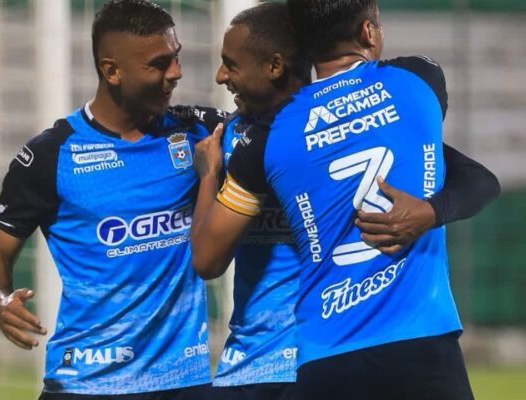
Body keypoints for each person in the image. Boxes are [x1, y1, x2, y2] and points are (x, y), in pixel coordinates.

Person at [191, 1, 501, 399]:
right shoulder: (418, 78)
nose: (221, 76)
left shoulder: (268, 139)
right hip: (420, 343)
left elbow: (207, 260)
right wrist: (430, 211)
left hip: (325, 356)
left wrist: (208, 175)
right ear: (368, 32)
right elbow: (478, 179)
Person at [0, 1, 223, 398]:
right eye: (159, 64)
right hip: (87, 380)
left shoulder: (198, 132)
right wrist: (0, 299)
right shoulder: (50, 155)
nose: (176, 72)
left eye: (175, 57)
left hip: (183, 380)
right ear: (112, 71)